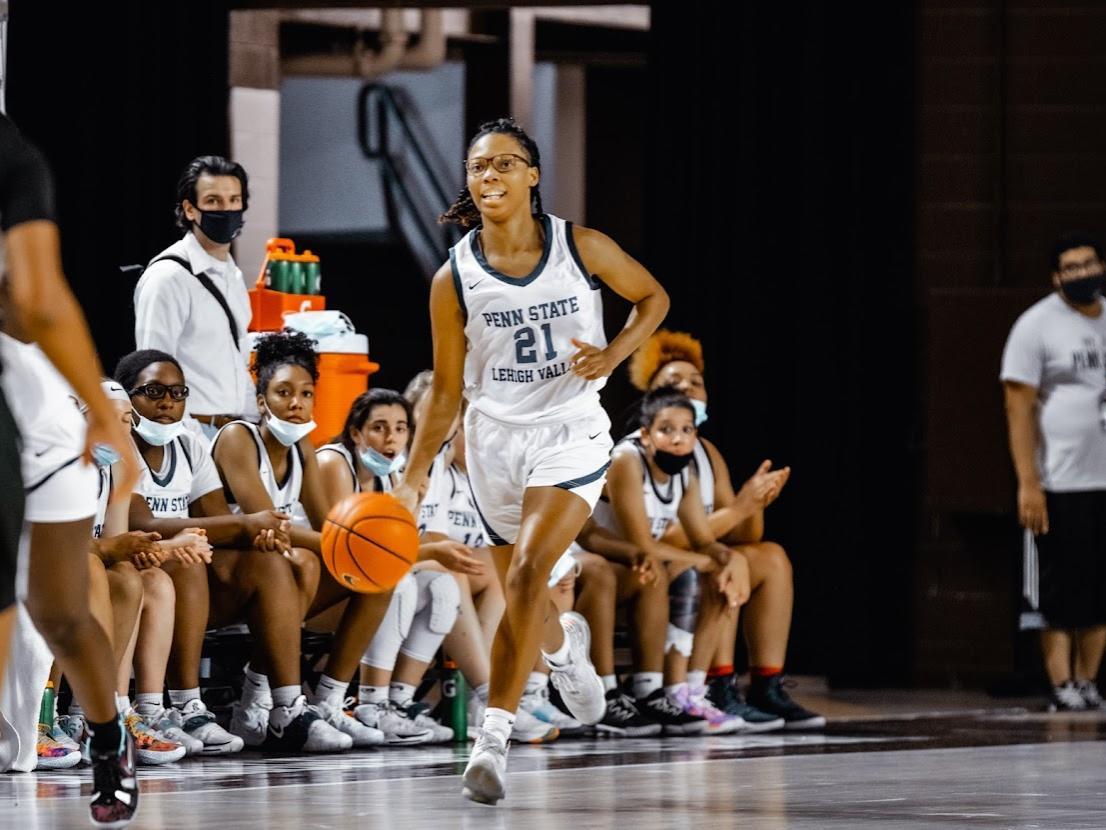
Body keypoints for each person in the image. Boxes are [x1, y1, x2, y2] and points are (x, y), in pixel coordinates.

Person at [392, 117, 669, 804]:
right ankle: (563, 649)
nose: (490, 177)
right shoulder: (452, 278)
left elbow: (653, 298)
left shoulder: (583, 246)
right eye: (479, 167)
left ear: (533, 175)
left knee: (524, 574)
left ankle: (492, 740)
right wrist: (416, 471)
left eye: (505, 165)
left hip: (569, 428)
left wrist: (614, 354)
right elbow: (448, 389)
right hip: (493, 438)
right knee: (527, 589)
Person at [117, 349, 351, 753]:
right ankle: (185, 705)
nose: (167, 401)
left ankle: (286, 709)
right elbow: (143, 525)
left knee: (268, 563)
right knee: (186, 560)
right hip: (130, 573)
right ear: (127, 398)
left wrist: (258, 535)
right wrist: (246, 523)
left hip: (186, 591)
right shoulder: (119, 448)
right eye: (153, 391)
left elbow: (218, 523)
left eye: (177, 392)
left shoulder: (190, 446)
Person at [631, 330, 824, 729]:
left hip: (692, 558)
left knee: (770, 557)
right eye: (673, 383)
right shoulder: (643, 449)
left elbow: (742, 533)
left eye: (695, 383)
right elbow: (659, 540)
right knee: (720, 562)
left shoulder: (706, 452)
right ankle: (717, 685)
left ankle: (766, 685)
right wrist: (738, 509)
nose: (687, 388)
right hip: (647, 566)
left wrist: (753, 503)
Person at [211, 330, 389, 748]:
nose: (297, 403)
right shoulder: (239, 437)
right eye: (284, 393)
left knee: (377, 576)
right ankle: (267, 704)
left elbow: (330, 524)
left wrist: (365, 548)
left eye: (306, 394)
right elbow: (267, 526)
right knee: (301, 562)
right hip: (227, 574)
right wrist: (343, 543)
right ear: (261, 402)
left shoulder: (303, 446)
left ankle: (326, 702)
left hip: (281, 572)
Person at [583, 386, 748, 735]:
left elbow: (703, 539)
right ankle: (607, 692)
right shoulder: (627, 460)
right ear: (645, 434)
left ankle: (674, 689)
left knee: (711, 572)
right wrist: (701, 561)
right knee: (659, 568)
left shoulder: (686, 472)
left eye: (687, 430)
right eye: (667, 429)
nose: (678, 439)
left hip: (635, 563)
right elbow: (640, 543)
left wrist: (727, 559)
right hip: (594, 557)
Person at [1001, 231, 1106, 712]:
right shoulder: (1037, 325)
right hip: (1060, 480)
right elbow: (1018, 407)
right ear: (1056, 276)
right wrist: (1029, 482)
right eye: (1072, 267)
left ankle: (1089, 681)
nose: (1083, 274)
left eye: (1089, 264)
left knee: (1098, 587)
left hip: (1102, 476)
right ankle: (1061, 682)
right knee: (1060, 588)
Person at [133, 155, 256, 441]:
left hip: (235, 434)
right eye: (213, 201)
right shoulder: (168, 277)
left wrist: (255, 424)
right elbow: (152, 373)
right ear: (190, 209)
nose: (226, 210)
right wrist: (186, 442)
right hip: (193, 433)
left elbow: (239, 361)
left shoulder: (232, 275)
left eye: (234, 200)